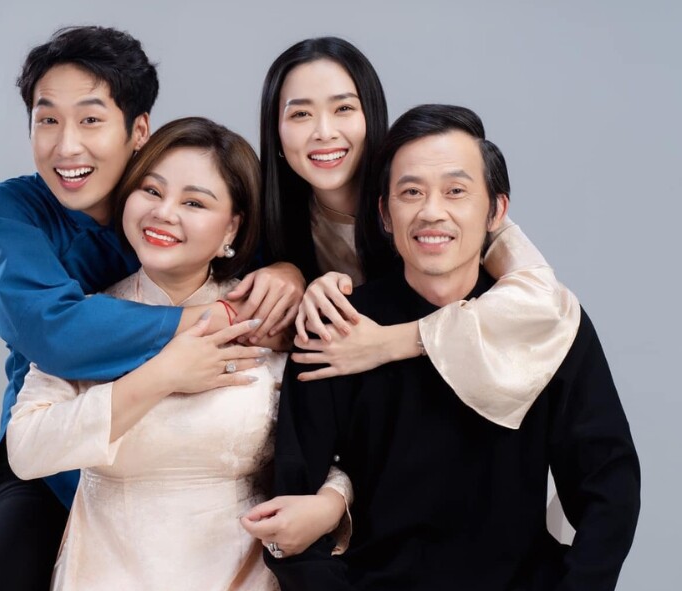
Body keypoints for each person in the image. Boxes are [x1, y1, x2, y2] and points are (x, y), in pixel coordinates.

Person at [0, 26, 304, 591]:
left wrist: (290, 271)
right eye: (48, 120)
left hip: (195, 462)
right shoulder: (13, 210)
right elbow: (55, 332)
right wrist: (209, 326)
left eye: (91, 119)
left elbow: (264, 289)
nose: (67, 146)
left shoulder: (173, 199)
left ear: (138, 130)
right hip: (57, 453)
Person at [267, 104, 641, 591]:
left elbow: (608, 486)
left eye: (456, 191)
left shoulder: (545, 324)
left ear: (496, 212)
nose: (431, 211)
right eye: (411, 192)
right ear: (384, 213)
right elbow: (292, 511)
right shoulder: (335, 326)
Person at [242, 36, 581, 556]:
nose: (324, 131)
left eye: (343, 108)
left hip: (478, 464)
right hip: (371, 491)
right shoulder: (268, 226)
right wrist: (292, 275)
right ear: (276, 130)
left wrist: (393, 342)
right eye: (301, 114)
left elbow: (542, 301)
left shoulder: (431, 200)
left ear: (371, 115)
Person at [7, 116, 352, 591]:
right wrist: (164, 374)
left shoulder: (268, 318)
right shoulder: (87, 320)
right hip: (104, 578)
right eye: (151, 190)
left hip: (243, 581)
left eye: (194, 202)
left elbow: (331, 449)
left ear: (232, 226)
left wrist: (333, 504)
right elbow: (26, 450)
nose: (164, 212)